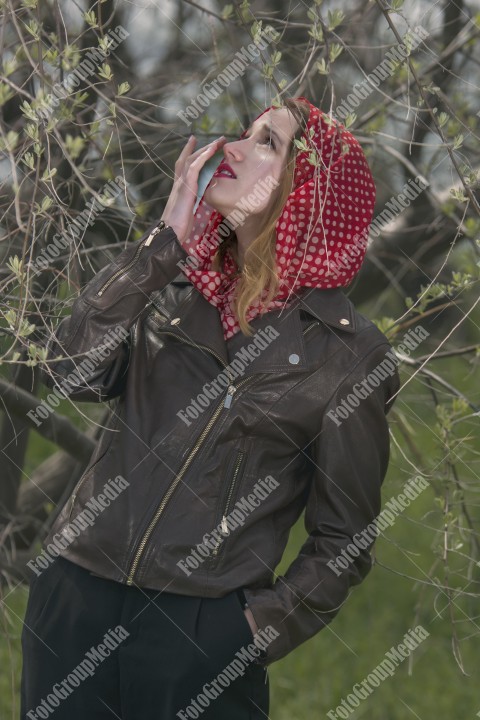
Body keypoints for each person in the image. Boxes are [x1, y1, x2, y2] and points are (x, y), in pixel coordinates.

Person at [21, 96, 400, 719]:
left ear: (307, 193)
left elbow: (344, 539)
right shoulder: (169, 283)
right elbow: (69, 373)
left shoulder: (349, 355)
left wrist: (250, 633)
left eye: (266, 143)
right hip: (75, 598)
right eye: (245, 133)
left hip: (202, 630)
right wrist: (159, 244)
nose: (232, 148)